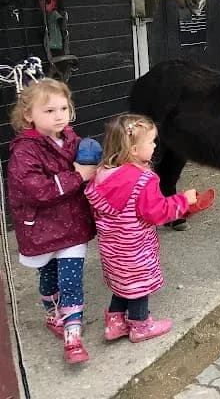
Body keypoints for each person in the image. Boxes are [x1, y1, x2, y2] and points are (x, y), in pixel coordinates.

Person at [84, 114, 197, 343]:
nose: (155, 145)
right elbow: (157, 213)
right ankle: (140, 326)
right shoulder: (144, 180)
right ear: (134, 149)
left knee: (122, 283)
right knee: (138, 287)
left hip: (112, 249)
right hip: (136, 249)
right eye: (152, 141)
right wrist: (183, 201)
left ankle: (115, 323)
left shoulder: (101, 175)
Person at [6, 79, 97, 364]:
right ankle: (52, 314)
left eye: (63, 108)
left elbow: (89, 164)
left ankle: (73, 334)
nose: (59, 116)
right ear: (28, 115)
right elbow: (36, 190)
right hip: (42, 229)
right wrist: (78, 176)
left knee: (71, 279)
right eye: (49, 111)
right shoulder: (24, 151)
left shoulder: (71, 138)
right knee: (48, 278)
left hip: (72, 225)